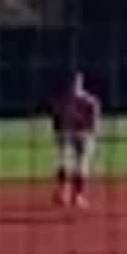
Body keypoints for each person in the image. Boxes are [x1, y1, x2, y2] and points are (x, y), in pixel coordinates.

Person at [49, 71, 103, 208]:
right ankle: (63, 193)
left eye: (76, 81)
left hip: (83, 135)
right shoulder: (63, 100)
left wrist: (90, 134)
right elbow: (56, 120)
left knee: (81, 165)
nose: (73, 84)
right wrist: (59, 134)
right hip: (68, 134)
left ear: (81, 83)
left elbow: (94, 123)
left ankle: (76, 196)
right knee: (65, 163)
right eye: (72, 82)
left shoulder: (89, 101)